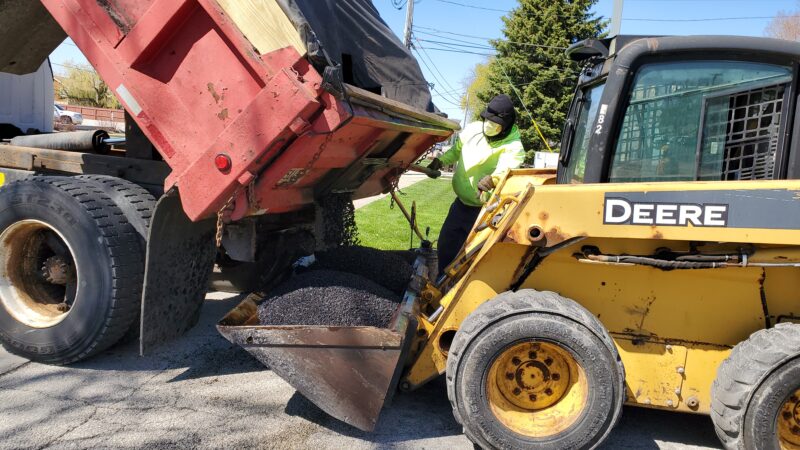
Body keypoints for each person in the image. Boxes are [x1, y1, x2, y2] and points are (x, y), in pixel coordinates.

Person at [427, 94, 525, 274]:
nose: (489, 125)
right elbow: (456, 151)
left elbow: (507, 167)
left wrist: (493, 179)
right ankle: (440, 283)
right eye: (487, 120)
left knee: (471, 257)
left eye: (495, 124)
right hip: (460, 205)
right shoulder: (473, 130)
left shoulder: (513, 146)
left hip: (484, 213)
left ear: (506, 126)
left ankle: (458, 292)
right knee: (446, 245)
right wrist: (440, 161)